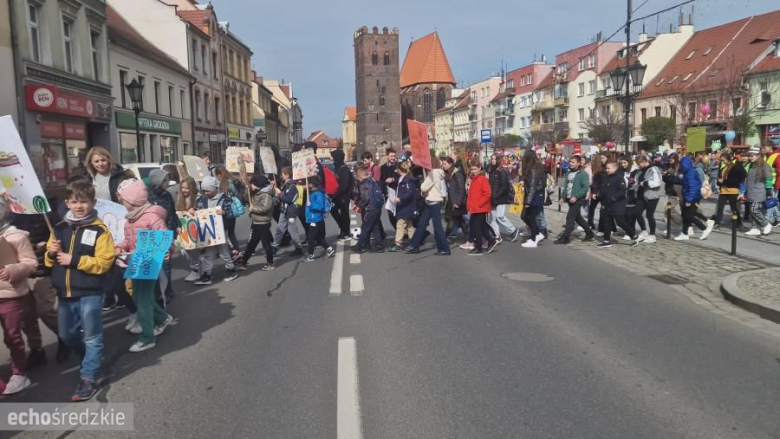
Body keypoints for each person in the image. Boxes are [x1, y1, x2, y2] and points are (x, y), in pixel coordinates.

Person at [46, 179, 115, 401]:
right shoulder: (59, 228)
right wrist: (51, 253)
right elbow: (49, 260)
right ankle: (91, 361)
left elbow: (104, 262)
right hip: (65, 293)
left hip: (89, 291)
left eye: (84, 202)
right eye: (74, 202)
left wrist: (74, 260)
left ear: (92, 202)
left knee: (92, 337)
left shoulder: (99, 230)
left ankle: (88, 377)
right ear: (67, 203)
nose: (79, 206)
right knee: (67, 335)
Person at [115, 180, 174, 353]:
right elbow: (128, 240)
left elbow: (164, 237)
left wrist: (167, 250)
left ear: (132, 201)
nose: (121, 202)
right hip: (136, 261)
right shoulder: (130, 219)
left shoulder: (151, 216)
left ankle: (147, 338)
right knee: (138, 297)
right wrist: (120, 247)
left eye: (123, 200)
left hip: (150, 261)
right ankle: (162, 318)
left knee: (143, 300)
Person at [0, 199, 39, 395]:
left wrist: (12, 270)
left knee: (12, 336)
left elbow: (31, 263)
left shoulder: (16, 237)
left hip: (10, 294)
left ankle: (19, 373)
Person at [193, 176, 238, 284]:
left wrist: (224, 213)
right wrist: (193, 212)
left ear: (214, 188)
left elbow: (231, 214)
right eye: (204, 190)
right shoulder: (202, 199)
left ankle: (231, 269)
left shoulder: (225, 199)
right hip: (207, 231)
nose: (206, 193)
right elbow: (197, 211)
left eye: (208, 190)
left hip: (220, 229)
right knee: (208, 252)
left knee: (223, 250)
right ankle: (206, 274)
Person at [147, 169, 179, 305]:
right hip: (155, 234)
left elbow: (173, 212)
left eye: (167, 180)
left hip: (168, 232)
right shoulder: (148, 196)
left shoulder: (167, 195)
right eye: (165, 180)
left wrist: (177, 225)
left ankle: (167, 290)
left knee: (166, 264)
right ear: (157, 181)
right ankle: (158, 291)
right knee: (156, 264)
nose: (167, 182)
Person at [596, 162, 639, 248]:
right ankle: (606, 240)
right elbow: (604, 188)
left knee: (620, 222)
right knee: (607, 222)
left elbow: (622, 191)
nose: (607, 170)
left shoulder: (619, 178)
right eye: (606, 168)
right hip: (606, 204)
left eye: (609, 168)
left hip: (617, 204)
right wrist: (600, 195)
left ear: (615, 169)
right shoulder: (607, 177)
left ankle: (633, 235)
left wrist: (613, 198)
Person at [238, 174, 276, 271]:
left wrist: (253, 209)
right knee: (251, 244)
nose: (251, 185)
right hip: (255, 222)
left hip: (263, 223)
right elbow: (246, 198)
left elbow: (265, 208)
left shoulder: (266, 193)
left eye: (252, 184)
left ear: (257, 184)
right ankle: (243, 262)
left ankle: (270, 262)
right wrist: (247, 190)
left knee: (266, 244)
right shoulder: (255, 192)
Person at [555, 155, 594, 244]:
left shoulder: (583, 174)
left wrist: (576, 196)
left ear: (579, 163)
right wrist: (562, 197)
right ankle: (589, 233)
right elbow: (566, 186)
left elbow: (585, 187)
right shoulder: (569, 173)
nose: (571, 164)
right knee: (577, 218)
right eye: (570, 162)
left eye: (573, 162)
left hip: (578, 199)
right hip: (570, 198)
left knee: (570, 218)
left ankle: (565, 237)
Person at [674, 156, 714, 241]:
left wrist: (689, 200)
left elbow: (693, 187)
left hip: (693, 197)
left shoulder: (690, 173)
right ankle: (684, 233)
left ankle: (704, 228)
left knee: (688, 215)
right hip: (688, 195)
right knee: (685, 215)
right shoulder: (687, 172)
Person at [462, 159, 495, 255]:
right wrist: (469, 205)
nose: (473, 171)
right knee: (482, 226)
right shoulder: (473, 179)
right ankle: (491, 240)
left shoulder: (482, 178)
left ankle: (479, 247)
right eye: (472, 169)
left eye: (475, 169)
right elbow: (471, 194)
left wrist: (479, 204)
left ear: (479, 168)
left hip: (481, 208)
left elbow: (487, 193)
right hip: (476, 207)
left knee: (476, 227)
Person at [271, 167, 305, 256]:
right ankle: (274, 247)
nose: (281, 176)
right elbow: (283, 197)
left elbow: (289, 199)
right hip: (284, 210)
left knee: (292, 230)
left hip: (291, 212)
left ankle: (298, 248)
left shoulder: (293, 186)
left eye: (282, 174)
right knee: (280, 229)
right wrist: (278, 195)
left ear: (287, 175)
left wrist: (280, 193)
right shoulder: (285, 185)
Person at [487, 154, 521, 243]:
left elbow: (504, 186)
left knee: (499, 216)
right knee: (491, 218)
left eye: (494, 159)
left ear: (498, 160)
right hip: (492, 198)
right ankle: (497, 235)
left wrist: (496, 195)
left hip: (500, 198)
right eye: (492, 159)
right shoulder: (491, 170)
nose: (493, 160)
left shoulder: (502, 171)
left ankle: (513, 230)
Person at [352, 164, 385, 253]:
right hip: (376, 207)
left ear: (359, 175)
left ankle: (359, 246)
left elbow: (365, 198)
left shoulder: (364, 184)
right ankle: (378, 245)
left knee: (365, 227)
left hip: (370, 208)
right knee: (375, 226)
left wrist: (359, 205)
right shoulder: (372, 180)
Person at [743, 146, 773, 236]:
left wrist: (768, 191)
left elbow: (768, 179)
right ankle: (755, 228)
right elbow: (748, 179)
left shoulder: (764, 166)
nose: (750, 158)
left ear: (758, 155)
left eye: (752, 156)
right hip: (751, 191)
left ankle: (765, 224)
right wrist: (745, 192)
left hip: (759, 192)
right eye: (749, 156)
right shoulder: (751, 165)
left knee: (754, 209)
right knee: (751, 210)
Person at [304, 177, 336, 262]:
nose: (307, 185)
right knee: (318, 238)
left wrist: (311, 204)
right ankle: (329, 249)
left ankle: (310, 255)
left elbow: (321, 207)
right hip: (313, 218)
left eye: (309, 183)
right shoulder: (312, 193)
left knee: (311, 237)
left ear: (313, 185)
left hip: (316, 219)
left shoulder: (318, 194)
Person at [178, 177, 203, 282]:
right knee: (184, 251)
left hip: (196, 229)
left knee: (192, 250)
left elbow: (203, 212)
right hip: (185, 229)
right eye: (182, 187)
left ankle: (197, 270)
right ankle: (197, 267)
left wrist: (195, 210)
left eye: (187, 188)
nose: (184, 190)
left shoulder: (198, 198)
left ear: (192, 188)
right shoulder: (180, 198)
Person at [214, 166, 243, 258]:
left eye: (216, 176)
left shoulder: (223, 184)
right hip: (232, 210)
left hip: (225, 210)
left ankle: (234, 250)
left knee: (225, 232)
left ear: (219, 175)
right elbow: (236, 193)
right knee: (231, 232)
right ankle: (237, 250)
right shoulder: (232, 181)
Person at [711, 152, 744, 230]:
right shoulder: (724, 168)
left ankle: (739, 223)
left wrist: (723, 182)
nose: (722, 162)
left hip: (732, 190)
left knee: (733, 208)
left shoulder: (735, 168)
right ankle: (717, 223)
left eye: (723, 160)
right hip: (723, 190)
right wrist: (719, 182)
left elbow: (735, 180)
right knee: (720, 207)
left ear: (728, 159)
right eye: (721, 160)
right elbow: (721, 178)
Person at [389, 161, 418, 252]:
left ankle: (398, 244)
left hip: (406, 206)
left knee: (400, 224)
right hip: (404, 206)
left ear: (399, 169)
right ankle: (414, 242)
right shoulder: (403, 178)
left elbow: (409, 193)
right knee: (409, 225)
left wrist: (400, 198)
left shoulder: (407, 180)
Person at [520, 150, 546, 248]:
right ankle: (537, 233)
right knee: (524, 216)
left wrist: (528, 201)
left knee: (531, 217)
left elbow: (533, 187)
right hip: (533, 196)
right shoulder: (533, 169)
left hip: (535, 197)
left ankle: (534, 239)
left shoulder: (533, 170)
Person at [635, 155, 663, 243]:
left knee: (649, 215)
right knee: (637, 212)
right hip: (641, 194)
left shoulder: (653, 169)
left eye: (639, 164)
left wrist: (645, 183)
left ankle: (652, 234)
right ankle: (644, 231)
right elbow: (637, 180)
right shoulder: (640, 170)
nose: (638, 166)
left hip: (652, 195)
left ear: (644, 162)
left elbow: (658, 182)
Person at [441, 156, 468, 243]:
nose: (443, 165)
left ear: (450, 164)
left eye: (445, 164)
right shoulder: (448, 173)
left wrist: (458, 202)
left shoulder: (457, 173)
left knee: (452, 219)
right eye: (443, 164)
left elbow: (461, 189)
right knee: (460, 220)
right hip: (452, 200)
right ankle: (468, 237)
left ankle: (444, 237)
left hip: (457, 201)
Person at [330, 149, 354, 241]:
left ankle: (346, 232)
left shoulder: (344, 169)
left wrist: (336, 194)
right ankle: (343, 228)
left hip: (344, 195)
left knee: (344, 214)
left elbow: (344, 185)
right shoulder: (338, 168)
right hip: (337, 195)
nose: (332, 159)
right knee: (333, 210)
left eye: (333, 157)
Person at [379, 147, 399, 230]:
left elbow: (403, 177)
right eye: (391, 156)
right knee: (390, 214)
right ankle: (397, 230)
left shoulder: (399, 166)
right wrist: (384, 192)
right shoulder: (383, 167)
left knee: (399, 213)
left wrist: (393, 179)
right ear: (387, 156)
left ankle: (401, 232)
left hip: (398, 192)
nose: (393, 158)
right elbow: (381, 181)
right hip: (388, 193)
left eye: (394, 156)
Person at [588, 155, 607, 235]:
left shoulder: (608, 168)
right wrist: (594, 192)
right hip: (597, 191)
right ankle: (590, 224)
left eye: (603, 158)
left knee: (603, 211)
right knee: (591, 208)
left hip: (604, 193)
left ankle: (603, 229)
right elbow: (596, 182)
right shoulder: (598, 169)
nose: (602, 160)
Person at [763, 144, 780, 226]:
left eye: (764, 147)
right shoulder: (765, 156)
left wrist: (778, 184)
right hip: (765, 183)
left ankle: (766, 220)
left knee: (770, 202)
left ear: (770, 147)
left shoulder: (777, 156)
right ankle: (778, 218)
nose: (762, 149)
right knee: (772, 202)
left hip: (773, 184)